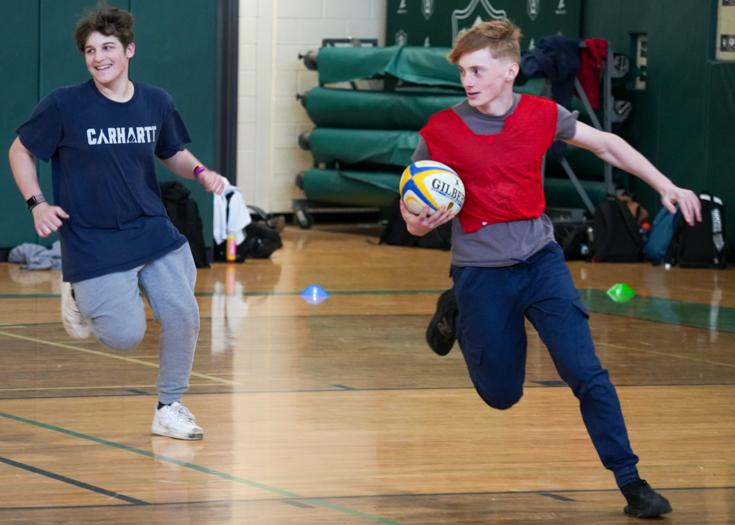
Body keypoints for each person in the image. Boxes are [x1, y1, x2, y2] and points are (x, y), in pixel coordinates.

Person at [401, 20, 701, 519]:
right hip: (480, 273)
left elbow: (607, 144)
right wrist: (418, 225)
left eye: (477, 70)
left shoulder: (543, 114)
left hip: (542, 263)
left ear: (509, 71)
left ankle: (632, 483)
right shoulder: (440, 132)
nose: (468, 81)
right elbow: (409, 213)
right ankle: (454, 306)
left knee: (586, 372)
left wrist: (666, 185)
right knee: (502, 395)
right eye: (463, 72)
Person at [8, 6, 225, 441]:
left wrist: (202, 172)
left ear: (129, 50)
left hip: (151, 229)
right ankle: (77, 288)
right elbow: (20, 150)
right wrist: (37, 203)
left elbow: (172, 152)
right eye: (90, 50)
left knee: (183, 314)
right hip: (93, 239)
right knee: (126, 337)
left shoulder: (156, 101)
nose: (99, 57)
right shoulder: (65, 104)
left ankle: (169, 406)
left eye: (108, 47)